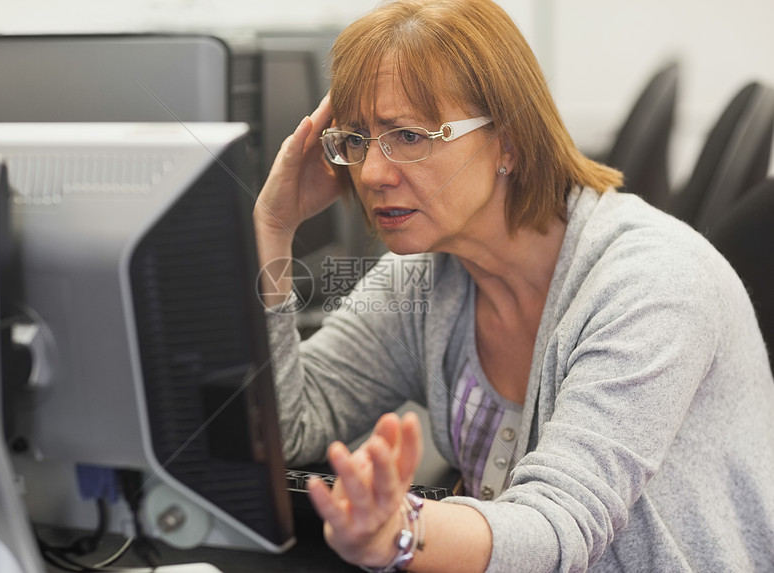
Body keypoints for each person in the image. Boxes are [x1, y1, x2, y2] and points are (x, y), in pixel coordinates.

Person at [253, 0, 774, 571]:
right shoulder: (427, 277)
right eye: (355, 139)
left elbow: (561, 525)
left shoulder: (653, 282)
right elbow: (288, 427)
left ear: (509, 141)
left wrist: (401, 531)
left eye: (408, 135)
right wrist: (273, 230)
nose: (373, 173)